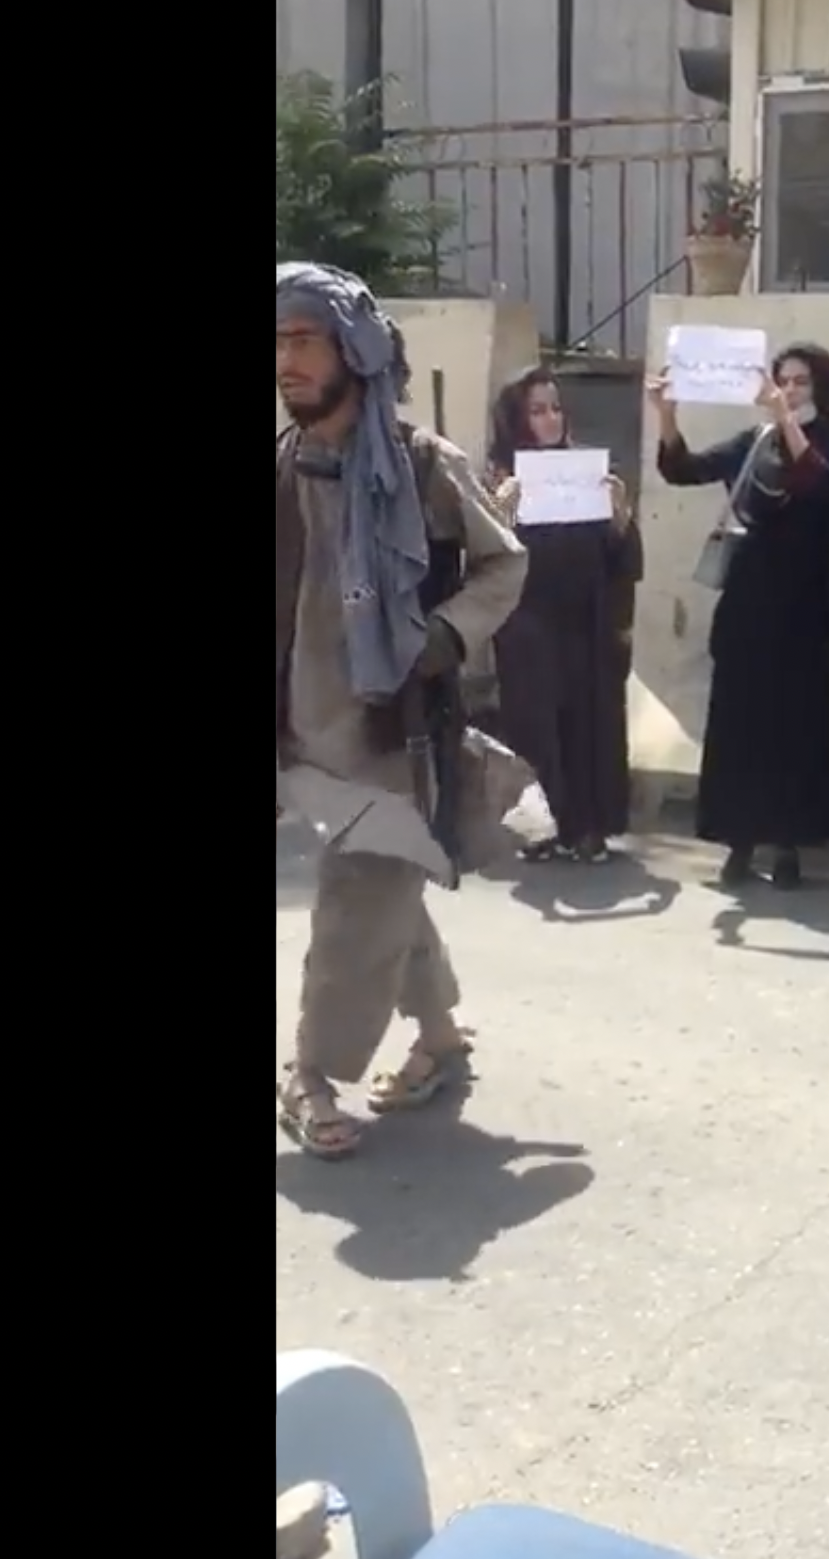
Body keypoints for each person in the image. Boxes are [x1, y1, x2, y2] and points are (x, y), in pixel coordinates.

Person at [274, 262, 529, 1159]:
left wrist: (445, 635)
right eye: (278, 343)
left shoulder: (423, 466)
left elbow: (507, 563)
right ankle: (441, 1038)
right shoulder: (284, 463)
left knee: (359, 898)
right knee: (391, 885)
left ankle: (307, 1072)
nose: (286, 361)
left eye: (303, 339)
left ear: (357, 351)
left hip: (389, 736)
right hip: (302, 730)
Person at [649, 342, 829, 887]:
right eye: (782, 380)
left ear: (822, 388)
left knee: (796, 727)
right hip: (751, 603)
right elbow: (684, 469)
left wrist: (786, 419)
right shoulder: (755, 440)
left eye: (800, 382)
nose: (788, 390)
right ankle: (738, 840)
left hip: (809, 608)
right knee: (743, 724)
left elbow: (821, 483)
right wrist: (667, 416)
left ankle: (790, 843)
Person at [484, 366, 641, 864]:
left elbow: (621, 555)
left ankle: (592, 826)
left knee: (588, 722)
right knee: (534, 725)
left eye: (555, 408)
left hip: (586, 619)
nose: (550, 419)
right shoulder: (499, 476)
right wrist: (498, 511)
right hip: (528, 623)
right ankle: (546, 826)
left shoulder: (588, 472)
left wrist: (621, 515)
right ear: (517, 419)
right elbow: (482, 555)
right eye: (537, 410)